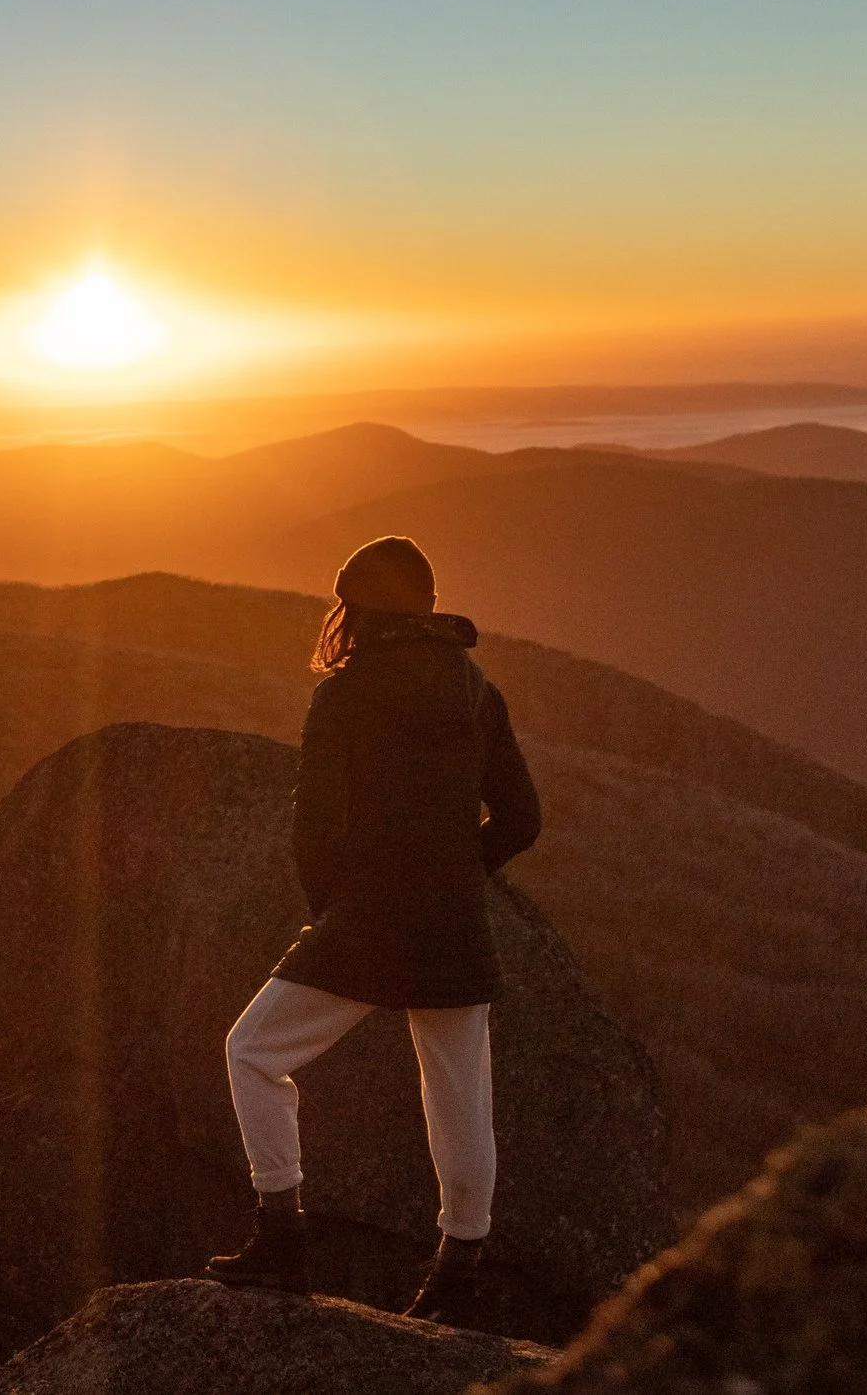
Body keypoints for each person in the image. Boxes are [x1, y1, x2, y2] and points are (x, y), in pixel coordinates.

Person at [203, 535, 540, 1324]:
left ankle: (280, 1237)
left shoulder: (346, 694)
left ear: (357, 609)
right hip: (455, 924)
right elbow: (522, 817)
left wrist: (334, 910)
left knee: (252, 1051)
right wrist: (459, 872)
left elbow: (315, 826)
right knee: (460, 1098)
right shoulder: (474, 687)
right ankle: (460, 1270)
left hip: (368, 918)